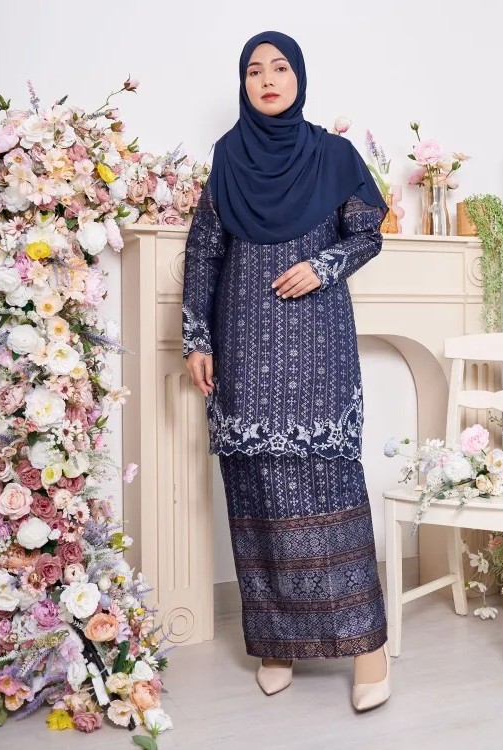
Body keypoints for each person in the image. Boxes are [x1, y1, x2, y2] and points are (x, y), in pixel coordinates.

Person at [181, 30, 391, 712]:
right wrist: (197, 338)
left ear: (299, 77)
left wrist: (323, 265)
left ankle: (367, 650)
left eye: (279, 68)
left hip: (316, 341)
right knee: (257, 491)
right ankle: (277, 643)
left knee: (330, 484)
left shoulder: (333, 155)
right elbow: (204, 252)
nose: (267, 79)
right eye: (253, 71)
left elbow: (367, 234)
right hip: (243, 340)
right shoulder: (228, 157)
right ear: (244, 84)